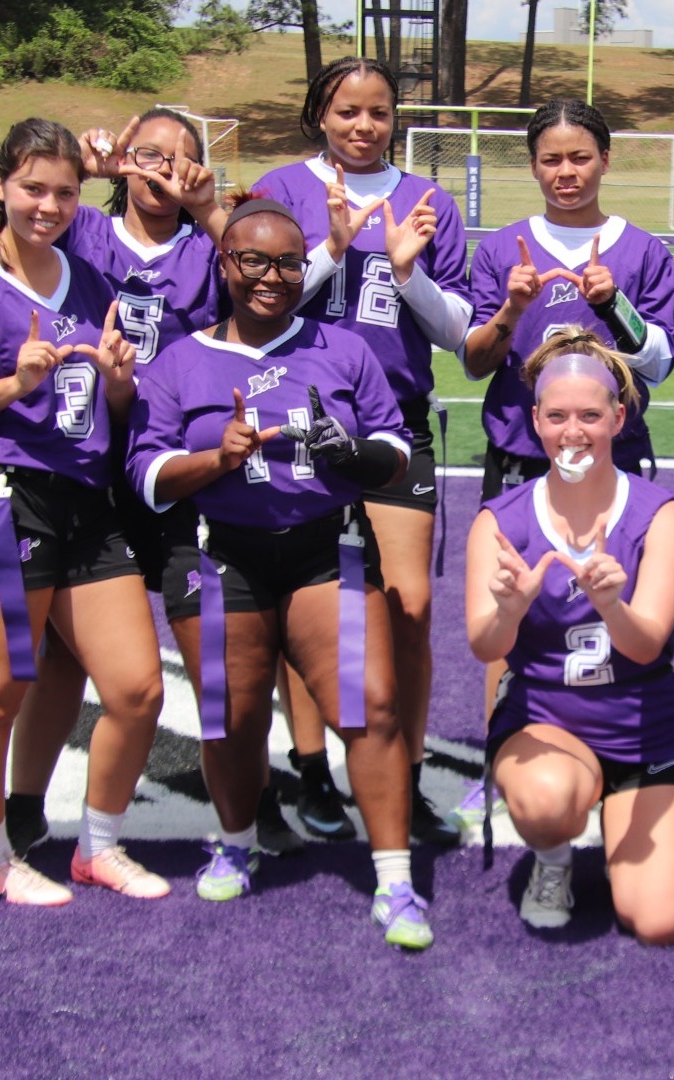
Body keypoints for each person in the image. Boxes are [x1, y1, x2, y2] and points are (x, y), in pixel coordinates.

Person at [125, 196, 434, 949]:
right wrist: (215, 459)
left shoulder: (341, 349)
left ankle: (393, 878)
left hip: (321, 548)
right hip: (217, 549)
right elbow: (144, 472)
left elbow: (396, 453)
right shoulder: (180, 359)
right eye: (252, 260)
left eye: (288, 262)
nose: (271, 276)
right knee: (228, 716)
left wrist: (347, 452)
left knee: (370, 707)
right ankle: (236, 838)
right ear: (224, 263)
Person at [0, 107, 250, 859]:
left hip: (174, 472)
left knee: (212, 645)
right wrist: (88, 168)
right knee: (59, 661)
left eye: (182, 159)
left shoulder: (207, 243)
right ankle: (24, 804)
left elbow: (262, 265)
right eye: (149, 153)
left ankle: (239, 806)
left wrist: (209, 209)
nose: (164, 169)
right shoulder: (81, 225)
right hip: (82, 469)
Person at [0, 118, 168, 906]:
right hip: (3, 497)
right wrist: (12, 386)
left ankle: (96, 846)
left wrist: (121, 381)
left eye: (65, 191)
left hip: (85, 500)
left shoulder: (91, 280)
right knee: (0, 693)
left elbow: (114, 404)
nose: (50, 204)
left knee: (137, 688)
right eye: (33, 187)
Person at [251, 56, 472, 848]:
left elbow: (457, 331)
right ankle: (312, 771)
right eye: (347, 110)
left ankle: (403, 779)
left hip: (395, 420)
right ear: (320, 113)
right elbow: (253, 299)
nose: (363, 126)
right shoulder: (281, 187)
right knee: (309, 604)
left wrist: (405, 272)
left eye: (378, 112)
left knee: (407, 608)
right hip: (297, 417)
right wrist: (332, 249)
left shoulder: (427, 198)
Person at [465, 331, 674, 944]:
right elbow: (485, 646)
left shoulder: (662, 515)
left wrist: (612, 606)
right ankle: (553, 857)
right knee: (547, 803)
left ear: (619, 418)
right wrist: (509, 611)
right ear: (536, 420)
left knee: (660, 923)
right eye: (559, 415)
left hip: (644, 724)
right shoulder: (501, 519)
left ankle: (623, 803)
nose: (574, 431)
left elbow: (646, 644)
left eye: (591, 415)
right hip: (548, 721)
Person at [464, 97, 674, 494]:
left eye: (580, 158)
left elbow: (660, 366)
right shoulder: (499, 249)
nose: (566, 172)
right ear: (532, 165)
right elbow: (475, 365)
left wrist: (614, 304)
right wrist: (512, 309)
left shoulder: (644, 251)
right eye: (551, 160)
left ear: (605, 160)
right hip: (519, 458)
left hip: (613, 456)